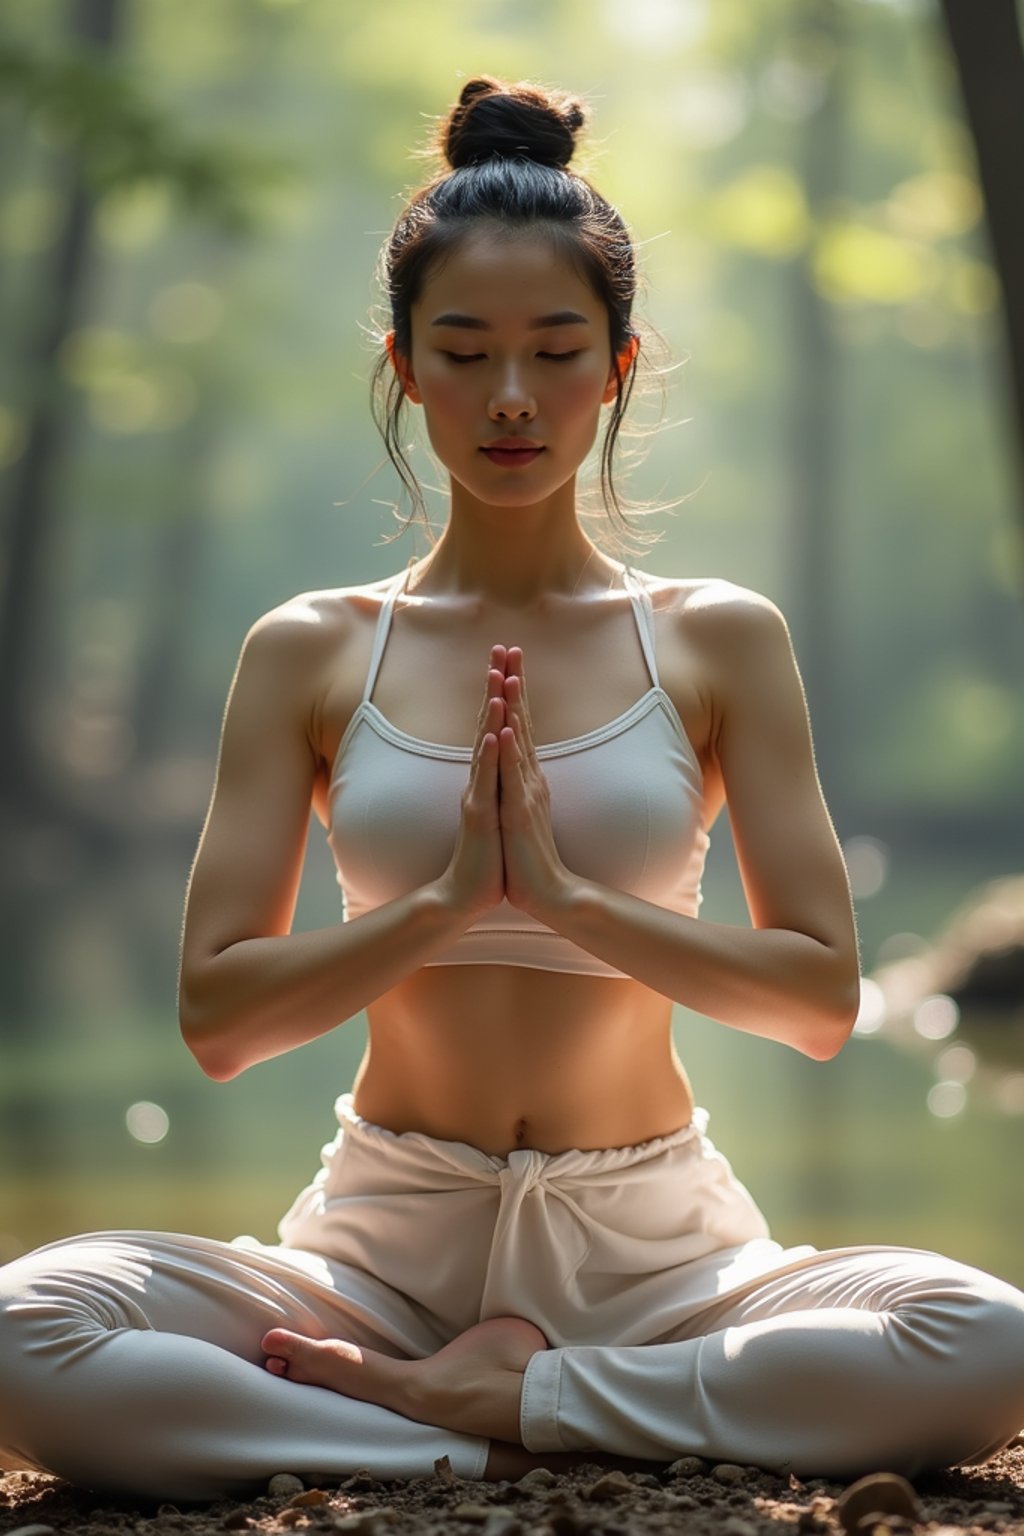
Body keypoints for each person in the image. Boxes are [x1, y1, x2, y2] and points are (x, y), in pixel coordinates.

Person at [2, 74, 1023, 1506]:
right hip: (380, 1251)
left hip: (660, 1248)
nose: (510, 397)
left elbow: (814, 1000)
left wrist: (566, 897)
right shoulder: (312, 649)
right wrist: (436, 906)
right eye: (464, 350)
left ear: (619, 361)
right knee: (25, 1330)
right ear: (404, 365)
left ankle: (531, 1393)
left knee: (985, 1341)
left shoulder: (714, 638)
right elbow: (220, 1017)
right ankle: (469, 1423)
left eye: (555, 349)